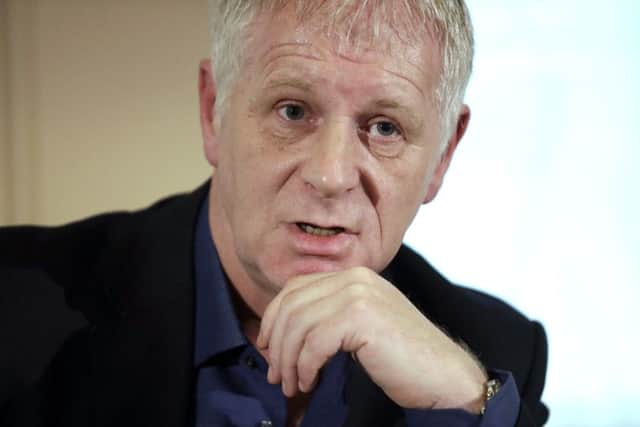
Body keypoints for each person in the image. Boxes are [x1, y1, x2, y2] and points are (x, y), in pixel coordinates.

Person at [0, 1, 549, 426]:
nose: (331, 175)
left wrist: (468, 404)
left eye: (385, 127)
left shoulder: (493, 353)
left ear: (443, 156)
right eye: (293, 111)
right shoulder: (16, 303)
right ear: (213, 110)